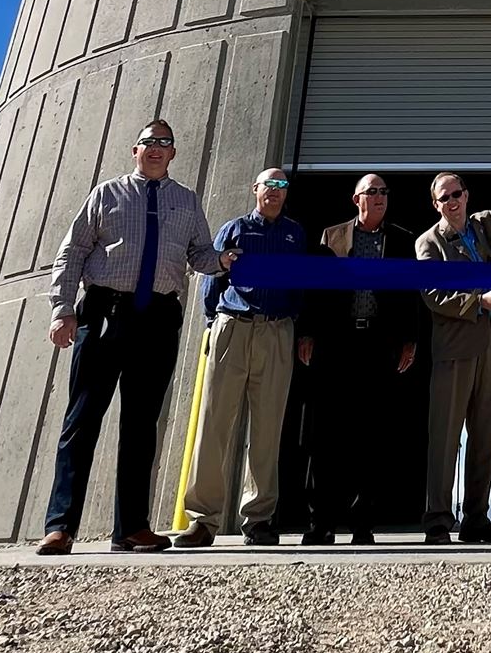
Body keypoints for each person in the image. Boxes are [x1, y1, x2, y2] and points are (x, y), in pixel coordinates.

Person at [39, 120, 237, 555]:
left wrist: (222, 259)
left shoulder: (186, 201)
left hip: (158, 319)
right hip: (106, 313)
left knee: (141, 426)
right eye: (149, 142)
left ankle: (131, 528)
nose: (156, 149)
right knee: (83, 419)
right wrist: (63, 309)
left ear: (173, 153)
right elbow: (71, 252)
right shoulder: (107, 195)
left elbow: (199, 255)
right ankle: (60, 526)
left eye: (164, 143)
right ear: (135, 150)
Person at [172, 166, 312, 549]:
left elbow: (301, 283)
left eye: (282, 185)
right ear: (256, 189)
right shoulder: (234, 229)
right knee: (214, 425)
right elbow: (211, 278)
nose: (276, 191)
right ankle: (203, 520)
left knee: (267, 430)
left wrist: (296, 326)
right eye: (270, 184)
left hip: (276, 331)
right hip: (233, 327)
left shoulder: (295, 233)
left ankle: (259, 519)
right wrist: (211, 324)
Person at [416, 173, 491, 544]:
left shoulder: (489, 222)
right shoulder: (429, 243)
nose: (452, 201)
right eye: (444, 198)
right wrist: (477, 302)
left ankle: (476, 519)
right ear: (435, 204)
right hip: (455, 346)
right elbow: (432, 294)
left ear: (467, 196)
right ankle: (437, 520)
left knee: (486, 435)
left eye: (457, 194)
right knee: (445, 436)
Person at [309, 174, 422, 544]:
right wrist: (308, 332)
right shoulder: (333, 236)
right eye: (371, 192)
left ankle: (363, 523)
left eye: (384, 192)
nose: (379, 197)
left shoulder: (403, 240)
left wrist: (409, 340)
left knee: (372, 437)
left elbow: (410, 293)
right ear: (355, 198)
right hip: (337, 344)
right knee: (328, 435)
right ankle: (322, 522)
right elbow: (317, 288)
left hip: (379, 344)